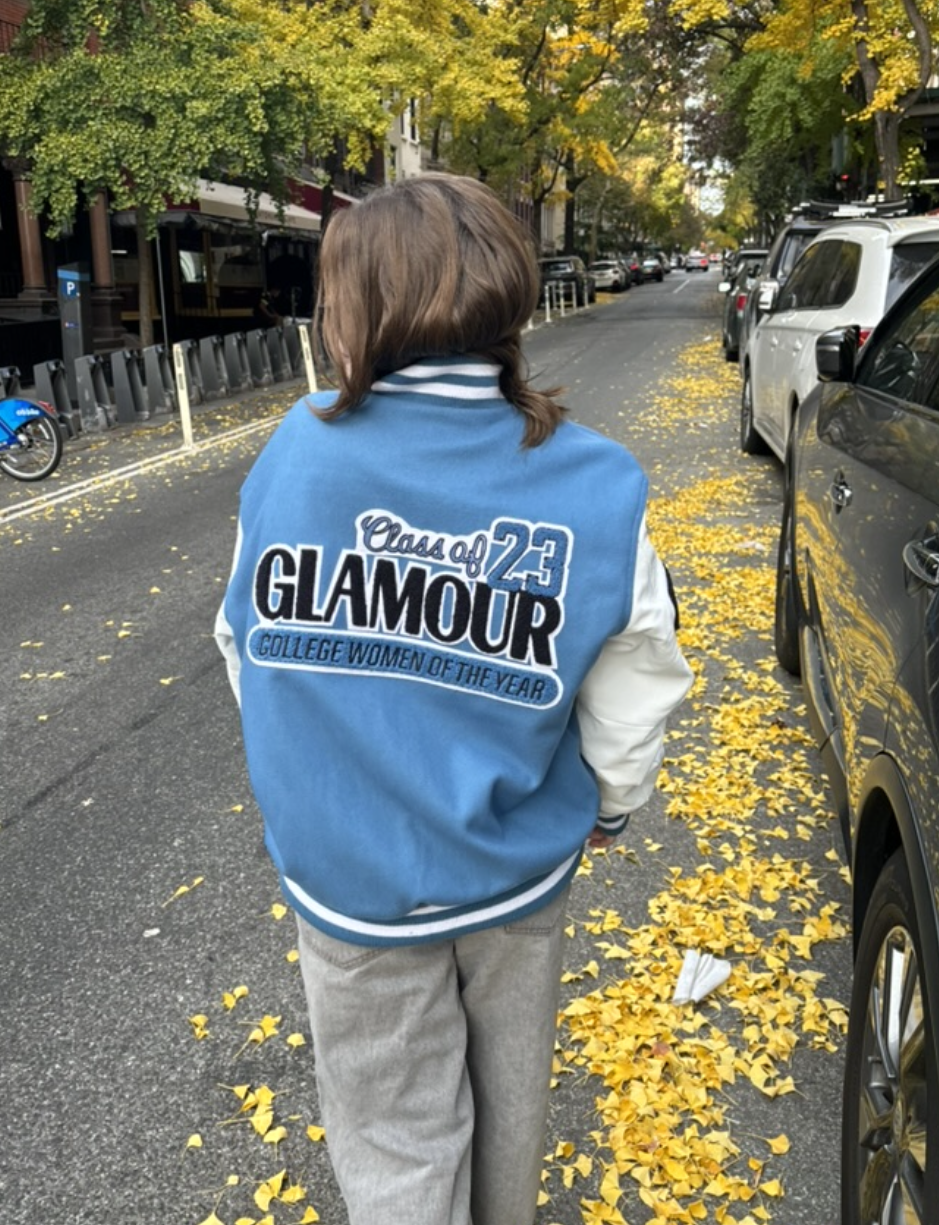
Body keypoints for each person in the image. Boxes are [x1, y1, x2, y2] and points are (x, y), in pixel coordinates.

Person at [214, 173, 692, 1225]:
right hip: (514, 876)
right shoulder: (594, 480)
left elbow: (244, 646)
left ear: (357, 304)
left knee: (392, 1138)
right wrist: (610, 805)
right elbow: (636, 670)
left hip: (350, 885)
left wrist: (314, 781)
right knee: (507, 1116)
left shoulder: (296, 453)